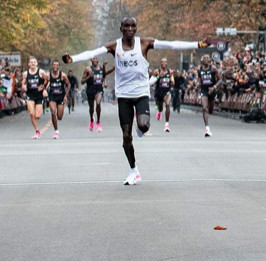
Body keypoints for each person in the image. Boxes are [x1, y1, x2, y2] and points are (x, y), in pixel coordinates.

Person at [63, 17, 209, 185]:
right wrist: (72, 58)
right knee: (126, 137)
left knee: (143, 126)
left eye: (133, 26)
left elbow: (171, 45)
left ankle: (140, 126)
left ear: (136, 28)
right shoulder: (114, 46)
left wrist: (198, 44)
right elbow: (92, 53)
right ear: (121, 28)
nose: (130, 29)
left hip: (140, 93)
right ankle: (134, 170)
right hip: (123, 95)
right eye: (126, 26)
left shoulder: (144, 44)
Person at [194, 54, 223, 137]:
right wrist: (197, 84)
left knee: (210, 110)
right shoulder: (199, 69)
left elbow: (220, 79)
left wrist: (214, 87)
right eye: (205, 58)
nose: (206, 59)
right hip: (204, 90)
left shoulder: (213, 68)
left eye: (208, 58)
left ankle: (208, 116)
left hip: (212, 90)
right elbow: (199, 78)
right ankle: (207, 128)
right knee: (204, 108)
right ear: (202, 60)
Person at [82, 57, 113, 132]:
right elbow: (82, 82)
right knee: (91, 108)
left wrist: (105, 83)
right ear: (91, 60)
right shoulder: (87, 69)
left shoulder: (101, 69)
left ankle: (98, 122)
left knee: (98, 103)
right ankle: (91, 120)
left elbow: (104, 76)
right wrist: (89, 76)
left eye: (96, 59)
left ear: (98, 60)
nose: (95, 60)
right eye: (94, 59)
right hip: (90, 90)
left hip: (99, 90)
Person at [21, 56, 49, 139]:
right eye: (31, 62)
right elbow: (23, 83)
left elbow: (47, 80)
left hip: (39, 95)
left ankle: (37, 127)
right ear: (28, 64)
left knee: (37, 116)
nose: (33, 63)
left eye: (34, 62)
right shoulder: (25, 73)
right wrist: (24, 87)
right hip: (30, 94)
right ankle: (37, 131)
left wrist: (44, 89)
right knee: (31, 113)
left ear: (37, 64)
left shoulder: (41, 72)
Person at [47, 61, 70, 139]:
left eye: (57, 65)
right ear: (52, 66)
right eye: (54, 65)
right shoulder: (48, 75)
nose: (55, 66)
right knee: (53, 112)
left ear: (59, 66)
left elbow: (68, 85)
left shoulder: (63, 75)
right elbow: (45, 84)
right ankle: (56, 131)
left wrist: (65, 95)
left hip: (60, 97)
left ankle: (56, 119)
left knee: (59, 117)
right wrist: (43, 89)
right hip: (52, 96)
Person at [152, 58, 173, 132]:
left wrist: (172, 82)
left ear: (167, 63)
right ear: (160, 63)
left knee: (167, 104)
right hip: (159, 92)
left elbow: (172, 81)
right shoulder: (157, 71)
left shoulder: (170, 72)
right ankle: (159, 112)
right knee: (160, 107)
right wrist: (158, 77)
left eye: (165, 62)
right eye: (162, 62)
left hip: (167, 91)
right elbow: (152, 80)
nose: (164, 63)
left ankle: (167, 125)